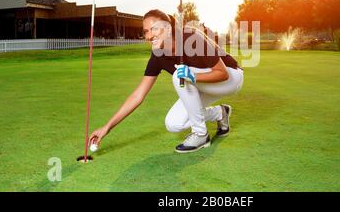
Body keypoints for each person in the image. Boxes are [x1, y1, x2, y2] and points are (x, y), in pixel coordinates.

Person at [89, 9, 244, 153]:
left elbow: (222, 73)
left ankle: (201, 134)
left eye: (154, 28)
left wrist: (193, 78)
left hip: (231, 79)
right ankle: (220, 113)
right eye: (146, 31)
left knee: (179, 75)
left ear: (169, 28)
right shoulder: (157, 55)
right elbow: (138, 95)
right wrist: (107, 127)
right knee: (174, 123)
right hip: (202, 84)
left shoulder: (191, 38)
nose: (149, 36)